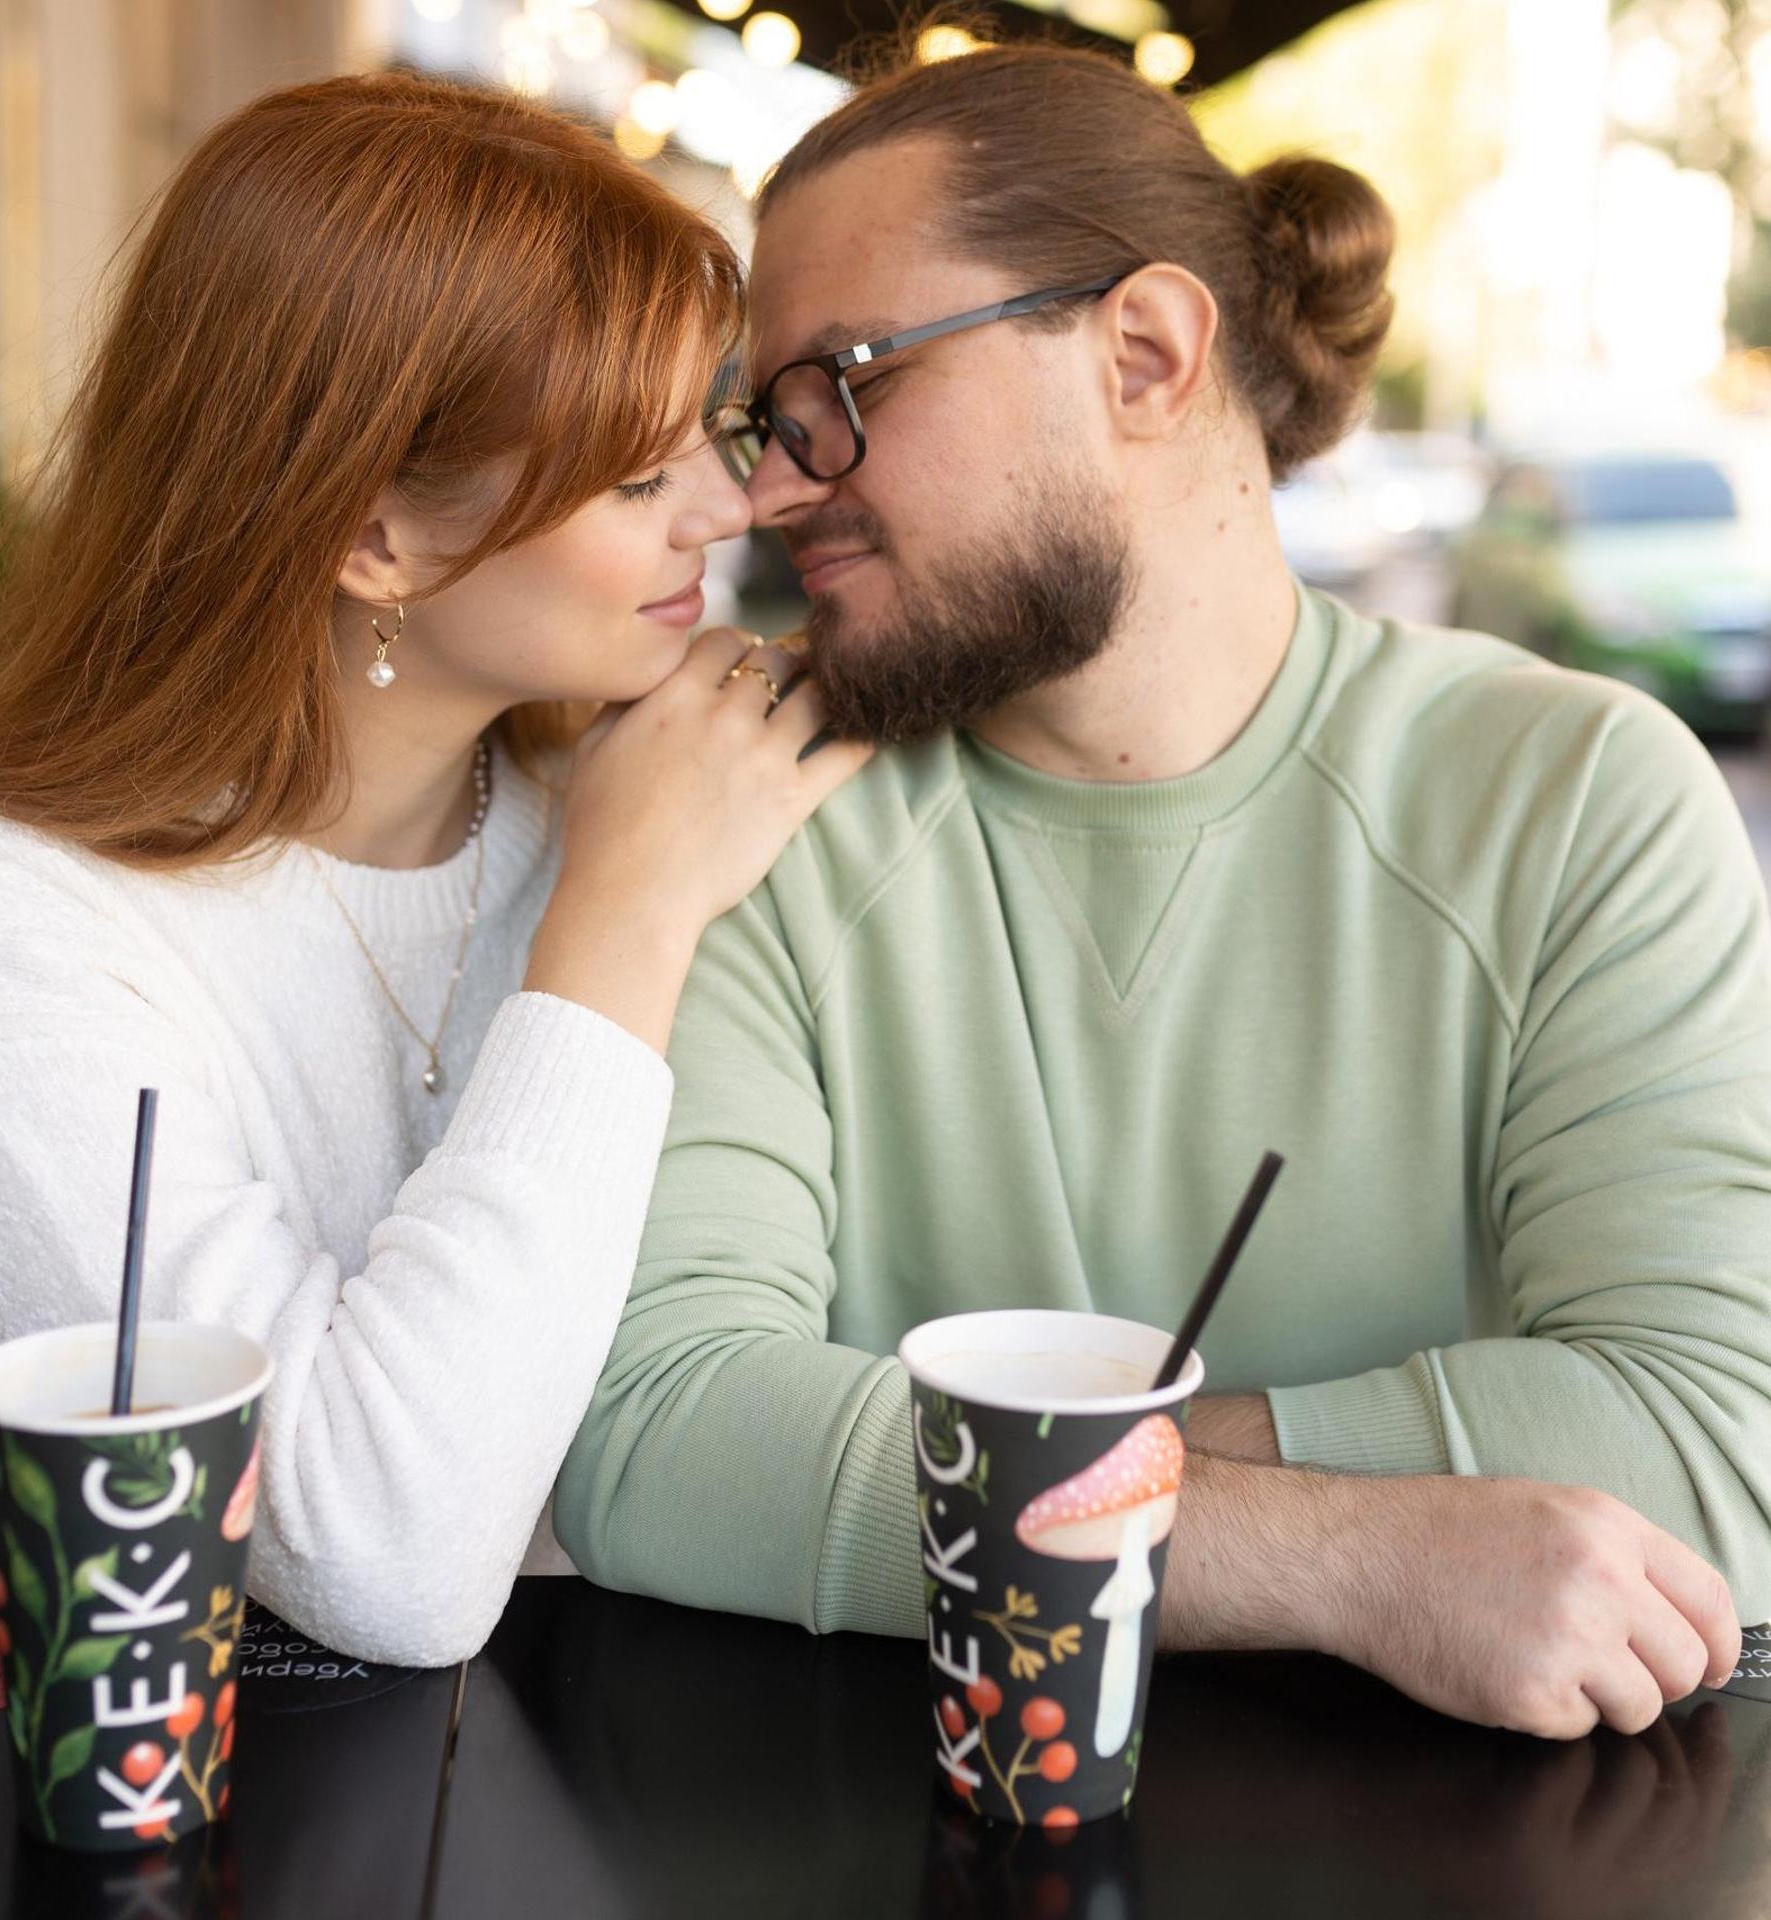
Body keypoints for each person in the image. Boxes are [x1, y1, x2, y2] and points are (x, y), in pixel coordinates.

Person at [553, 39, 1771, 1739]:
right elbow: (662, 1440)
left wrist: (941, 1471)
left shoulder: (1575, 801)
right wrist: (1349, 1554)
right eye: (771, 417)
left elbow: (1714, 1441)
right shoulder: (745, 792)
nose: (770, 483)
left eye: (846, 382)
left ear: (1144, 353)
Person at [0, 71, 866, 1666]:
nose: (732, 509)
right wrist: (622, 919)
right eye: (633, 479)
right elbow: (376, 1553)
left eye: (714, 438)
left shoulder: (629, 786)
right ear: (376, 536)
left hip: (561, 1759)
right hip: (24, 1748)